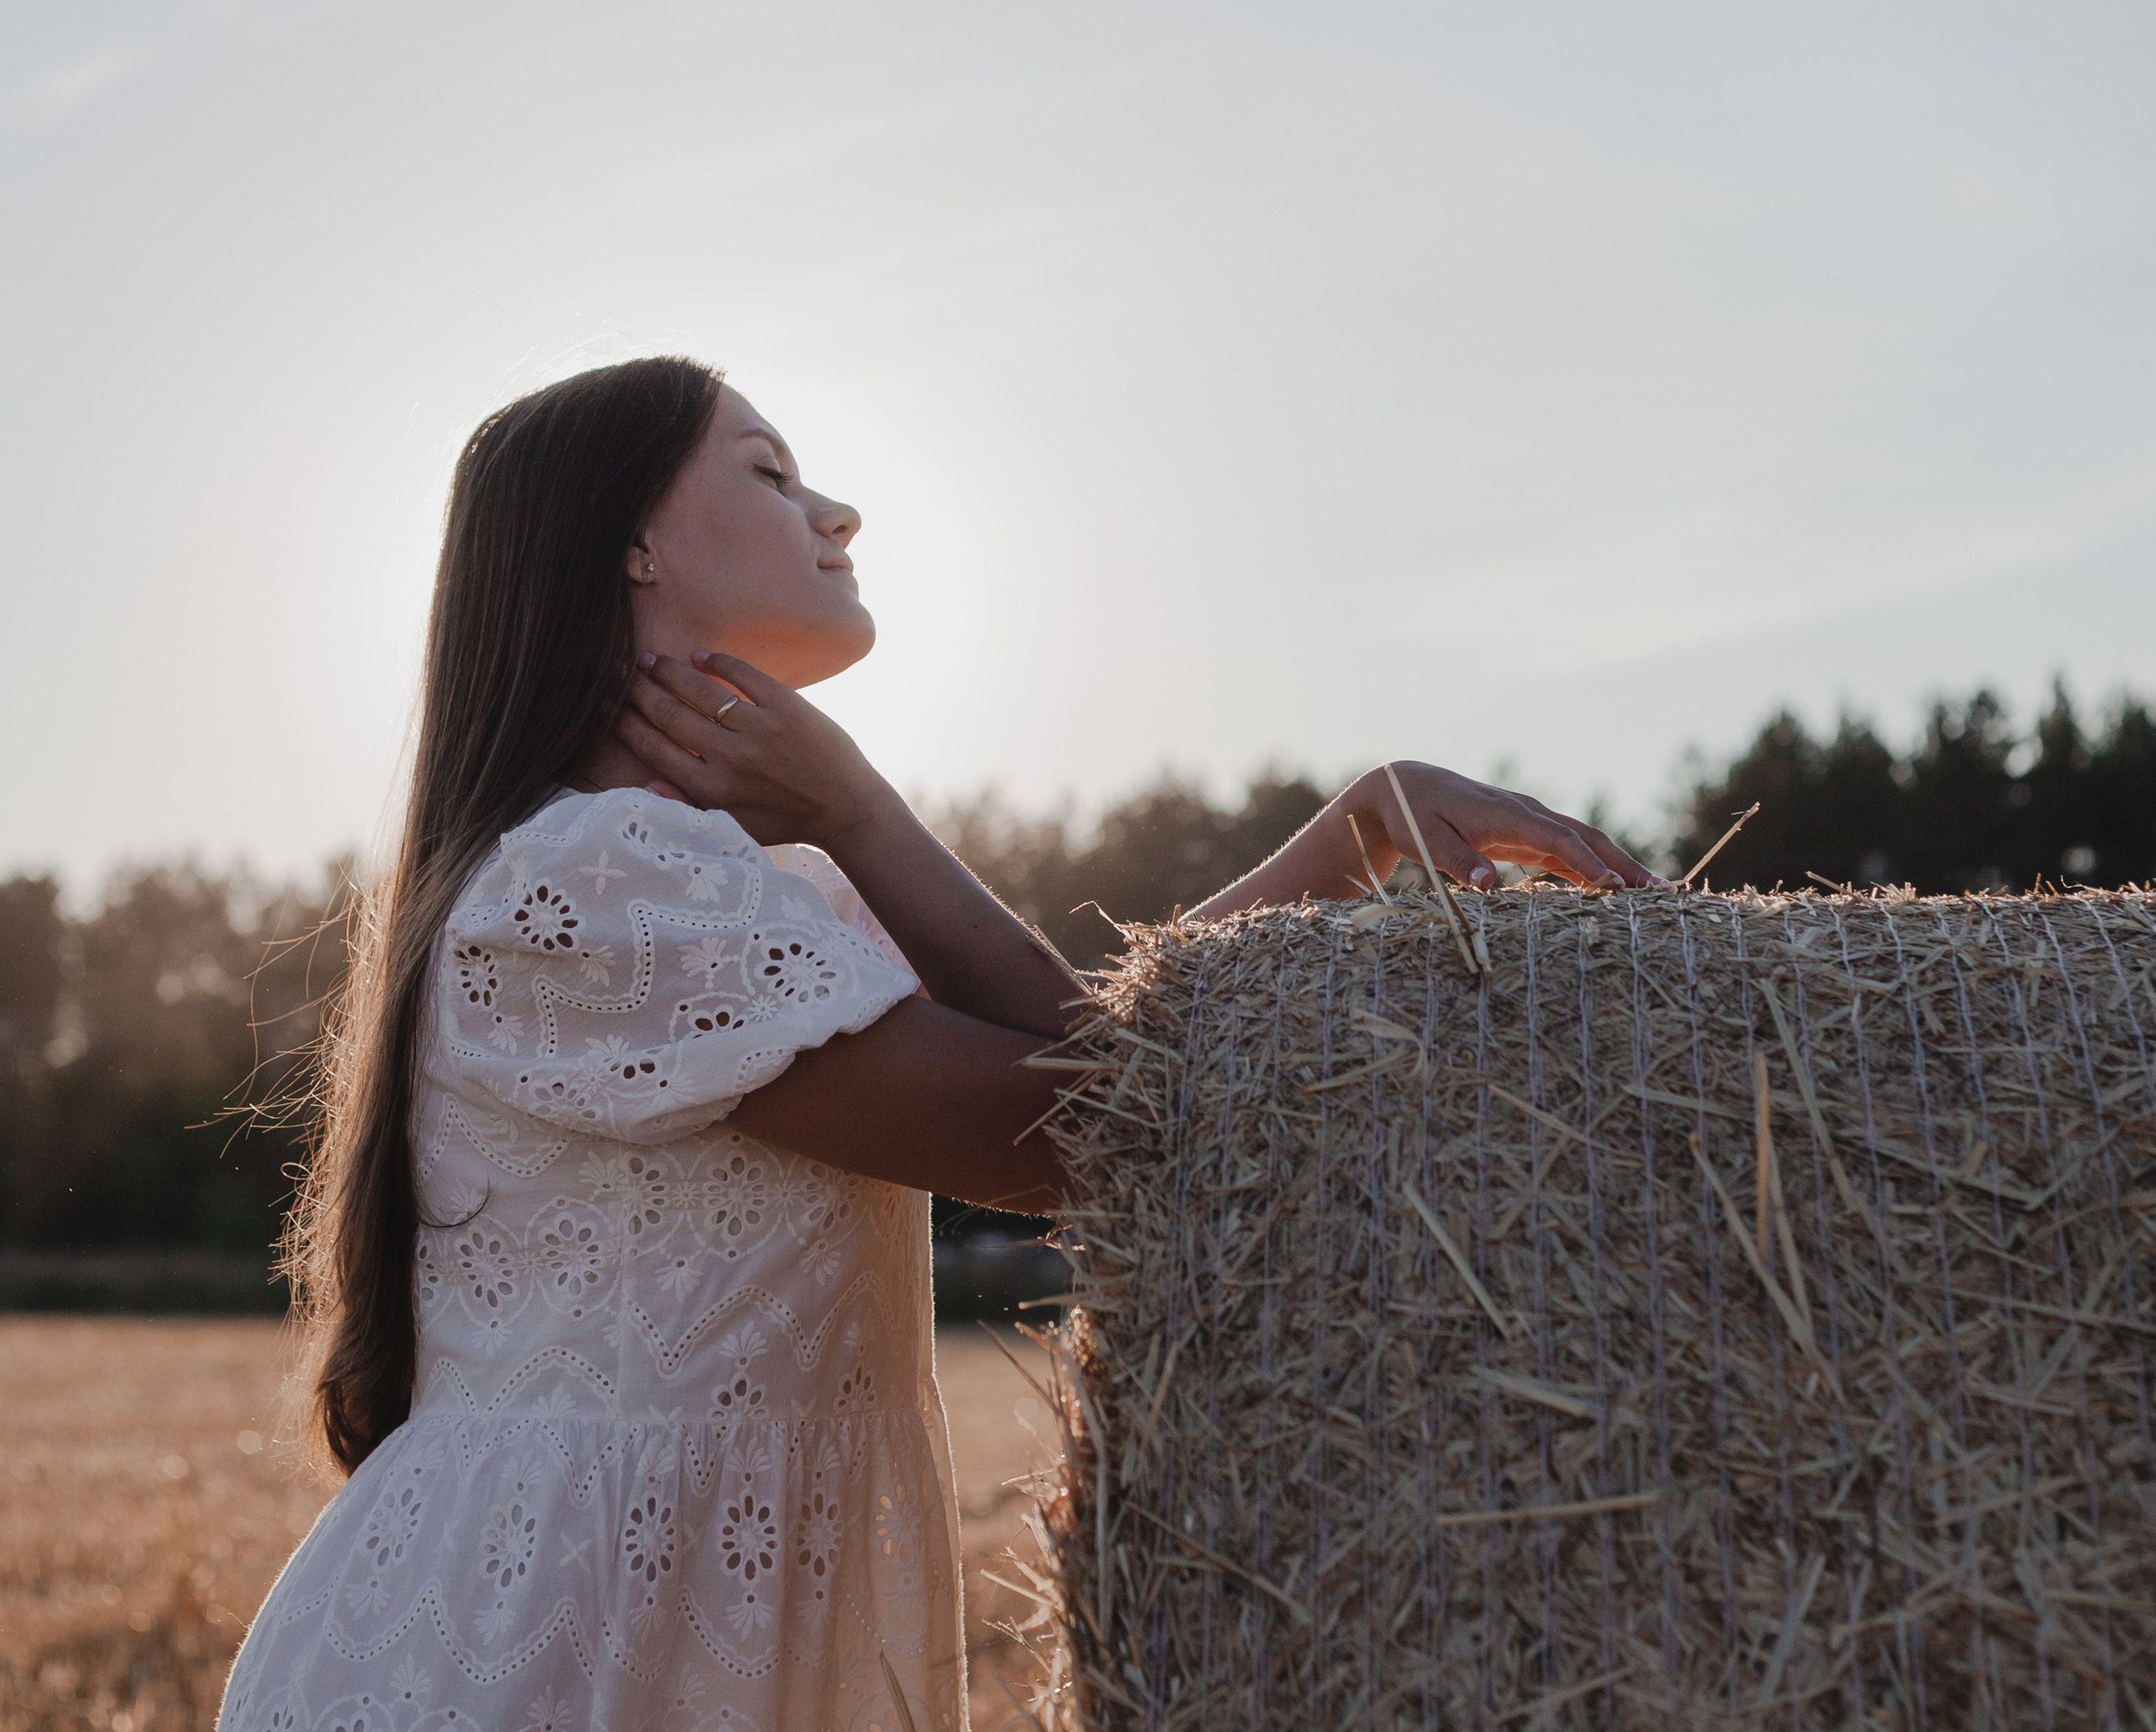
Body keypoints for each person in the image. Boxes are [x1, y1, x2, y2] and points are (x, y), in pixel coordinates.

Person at [218, 354, 1652, 1732]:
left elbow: (1078, 1038)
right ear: (631, 547)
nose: (838, 514)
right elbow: (1066, 1128)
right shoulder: (597, 884)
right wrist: (863, 811)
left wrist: (1352, 831)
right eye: (772, 474)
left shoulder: (721, 889)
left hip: (636, 1624)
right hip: (531, 1653)